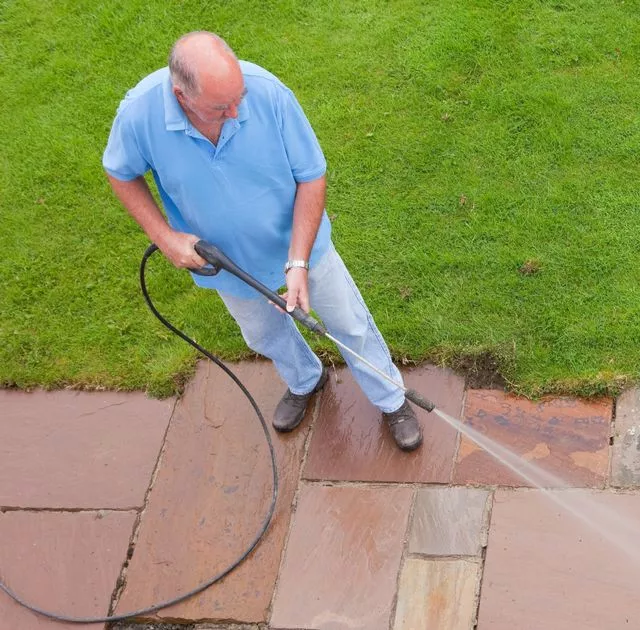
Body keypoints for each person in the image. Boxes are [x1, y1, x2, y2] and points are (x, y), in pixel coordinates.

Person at [103, 31, 423, 451]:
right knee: (264, 335)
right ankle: (306, 379)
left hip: (299, 243)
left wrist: (298, 262)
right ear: (181, 96)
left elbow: (311, 175)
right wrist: (164, 238)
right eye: (221, 107)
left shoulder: (268, 94)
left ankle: (391, 398)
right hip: (227, 262)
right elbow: (120, 172)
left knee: (348, 323)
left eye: (239, 96)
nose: (236, 112)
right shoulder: (139, 116)